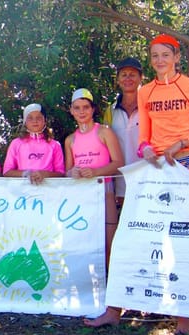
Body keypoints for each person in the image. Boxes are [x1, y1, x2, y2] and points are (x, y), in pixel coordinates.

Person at [86, 34, 189, 334]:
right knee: (130, 238)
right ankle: (114, 310)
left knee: (186, 241)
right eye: (154, 56)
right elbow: (143, 139)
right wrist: (145, 149)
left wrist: (185, 142)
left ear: (176, 57)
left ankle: (183, 321)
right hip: (153, 168)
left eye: (165, 55)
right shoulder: (146, 91)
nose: (160, 60)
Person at [64, 87, 124, 277]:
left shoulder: (104, 132)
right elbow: (66, 171)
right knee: (84, 241)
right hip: (80, 195)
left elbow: (118, 163)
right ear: (71, 111)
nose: (82, 112)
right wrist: (72, 172)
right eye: (77, 108)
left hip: (104, 190)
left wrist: (96, 172)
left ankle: (112, 286)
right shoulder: (70, 140)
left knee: (109, 240)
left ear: (93, 109)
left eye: (86, 107)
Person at [103, 57, 144, 207]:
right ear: (118, 79)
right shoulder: (110, 111)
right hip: (121, 182)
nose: (128, 78)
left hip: (149, 179)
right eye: (124, 74)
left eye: (132, 74)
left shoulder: (150, 106)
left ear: (141, 78)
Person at [3, 104, 65, 184]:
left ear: (44, 120)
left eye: (38, 117)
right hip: (22, 191)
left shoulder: (54, 145)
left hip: (49, 191)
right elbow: (7, 171)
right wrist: (25, 174)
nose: (34, 121)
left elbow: (61, 173)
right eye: (30, 118)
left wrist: (45, 174)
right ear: (25, 122)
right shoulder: (16, 143)